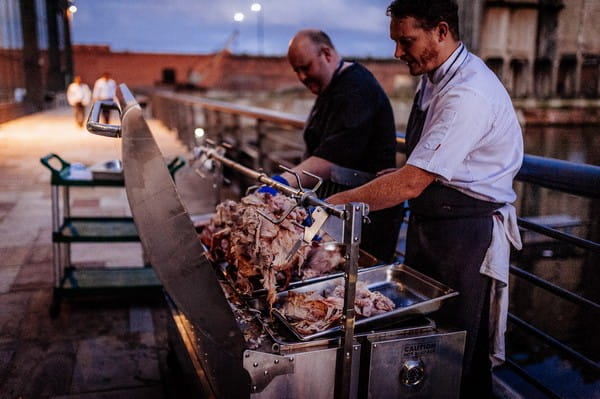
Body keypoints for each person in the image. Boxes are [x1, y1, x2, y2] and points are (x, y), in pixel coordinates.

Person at [327, 1, 523, 397]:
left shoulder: (469, 93)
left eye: (406, 41)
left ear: (441, 31)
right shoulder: (433, 76)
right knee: (426, 343)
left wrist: (331, 209)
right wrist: (393, 177)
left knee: (458, 351)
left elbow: (412, 183)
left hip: (466, 237)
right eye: (396, 41)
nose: (398, 53)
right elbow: (424, 167)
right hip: (433, 224)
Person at [274, 29, 404, 263]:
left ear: (326, 54)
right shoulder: (330, 87)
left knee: (356, 288)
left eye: (306, 67)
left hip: (365, 214)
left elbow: (329, 160)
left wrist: (283, 183)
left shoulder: (357, 89)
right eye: (297, 71)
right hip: (336, 205)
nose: (302, 77)